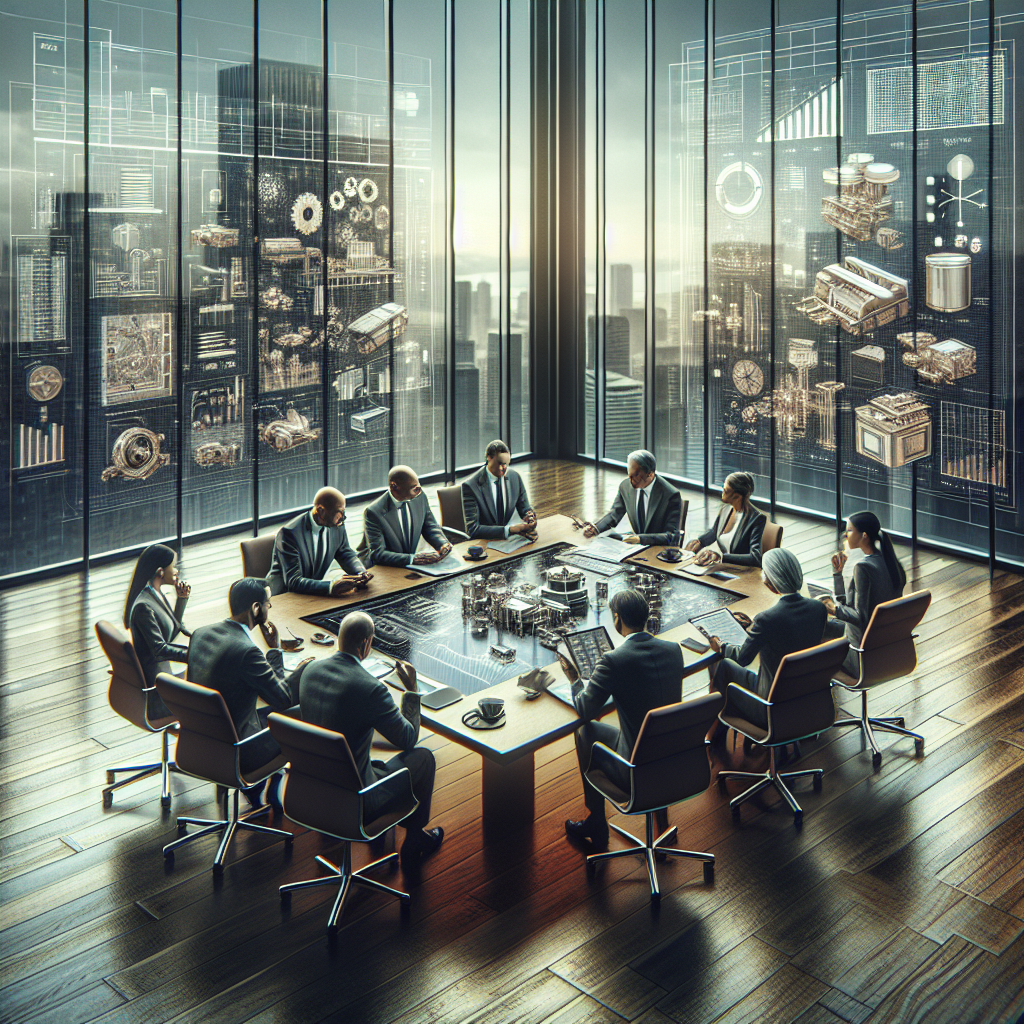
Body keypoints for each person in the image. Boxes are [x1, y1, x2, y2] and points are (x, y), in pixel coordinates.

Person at [299, 611, 444, 869]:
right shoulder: (370, 688)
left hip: (313, 791)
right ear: (367, 644)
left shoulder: (309, 671)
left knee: (375, 763)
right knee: (423, 758)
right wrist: (412, 689)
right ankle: (414, 842)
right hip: (358, 800)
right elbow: (408, 738)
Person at [559, 589, 685, 849]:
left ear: (617, 620)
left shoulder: (613, 660)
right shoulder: (673, 650)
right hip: (674, 763)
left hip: (635, 769)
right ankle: (661, 822)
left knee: (586, 732)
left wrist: (574, 679)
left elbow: (585, 709)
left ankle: (596, 821)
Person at [187, 578, 312, 801]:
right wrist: (294, 664)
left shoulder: (200, 633)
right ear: (255, 608)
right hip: (240, 750)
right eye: (267, 604)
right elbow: (283, 699)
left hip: (201, 743)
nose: (268, 608)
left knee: (267, 712)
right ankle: (281, 791)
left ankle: (260, 790)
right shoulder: (247, 652)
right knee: (303, 712)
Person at [707, 547, 828, 742]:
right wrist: (756, 627)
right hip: (805, 701)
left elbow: (743, 658)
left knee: (724, 665)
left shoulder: (767, 619)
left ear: (770, 582)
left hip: (771, 707)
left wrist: (721, 646)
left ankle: (716, 736)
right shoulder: (818, 608)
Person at [819, 511, 907, 676]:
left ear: (864, 535)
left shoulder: (863, 568)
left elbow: (860, 617)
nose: (845, 534)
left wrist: (833, 610)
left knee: (815, 626)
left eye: (850, 530)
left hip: (860, 655)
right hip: (884, 648)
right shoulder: (892, 563)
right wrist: (837, 575)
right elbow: (852, 607)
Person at [266, 486, 372, 597]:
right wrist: (331, 586)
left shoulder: (336, 525)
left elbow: (344, 552)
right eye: (339, 512)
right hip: (284, 597)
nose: (343, 517)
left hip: (314, 595)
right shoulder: (289, 534)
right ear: (321, 511)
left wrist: (360, 572)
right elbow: (293, 581)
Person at [357, 465, 452, 568]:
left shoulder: (419, 497)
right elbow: (378, 554)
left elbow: (430, 526)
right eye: (414, 488)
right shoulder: (373, 512)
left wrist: (442, 544)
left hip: (407, 568)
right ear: (394, 487)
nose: (419, 491)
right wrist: (412, 559)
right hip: (384, 569)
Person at [582, 449, 683, 546]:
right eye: (629, 475)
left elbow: (671, 536)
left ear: (650, 474)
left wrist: (640, 539)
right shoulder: (625, 487)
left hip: (658, 550)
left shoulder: (671, 495)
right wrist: (596, 528)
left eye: (635, 476)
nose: (630, 481)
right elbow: (614, 514)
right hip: (634, 547)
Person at [125, 543, 191, 690]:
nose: (176, 570)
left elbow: (170, 633)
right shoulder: (144, 607)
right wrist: (192, 655)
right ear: (160, 572)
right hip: (160, 684)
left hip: (166, 673)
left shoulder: (155, 593)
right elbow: (160, 650)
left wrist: (181, 599)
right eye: (173, 566)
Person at [686, 471, 766, 567]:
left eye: (726, 491)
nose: (722, 492)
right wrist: (699, 542)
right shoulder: (726, 509)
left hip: (741, 571)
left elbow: (755, 558)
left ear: (737, 496)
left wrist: (722, 557)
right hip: (724, 568)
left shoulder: (756, 519)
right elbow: (714, 532)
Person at [462, 439, 538, 541]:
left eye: (507, 464)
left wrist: (530, 518)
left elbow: (525, 509)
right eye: (500, 463)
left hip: (508, 544)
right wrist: (509, 530)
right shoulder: (471, 486)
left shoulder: (515, 477)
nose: (504, 468)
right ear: (488, 458)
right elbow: (473, 529)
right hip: (484, 544)